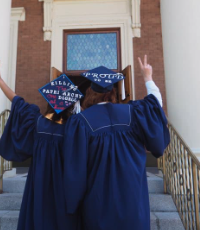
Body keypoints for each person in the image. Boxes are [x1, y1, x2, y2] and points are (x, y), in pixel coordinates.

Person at [63, 55, 170, 230]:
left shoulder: (81, 122)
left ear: (90, 93)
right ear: (113, 92)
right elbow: (155, 107)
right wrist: (148, 77)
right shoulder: (134, 113)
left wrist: (73, 203)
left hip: (98, 202)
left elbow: (76, 170)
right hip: (133, 200)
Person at [0, 59, 82, 230]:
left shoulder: (37, 122)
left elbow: (17, 100)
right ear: (70, 105)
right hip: (64, 184)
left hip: (39, 182)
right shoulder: (74, 128)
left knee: (39, 214)